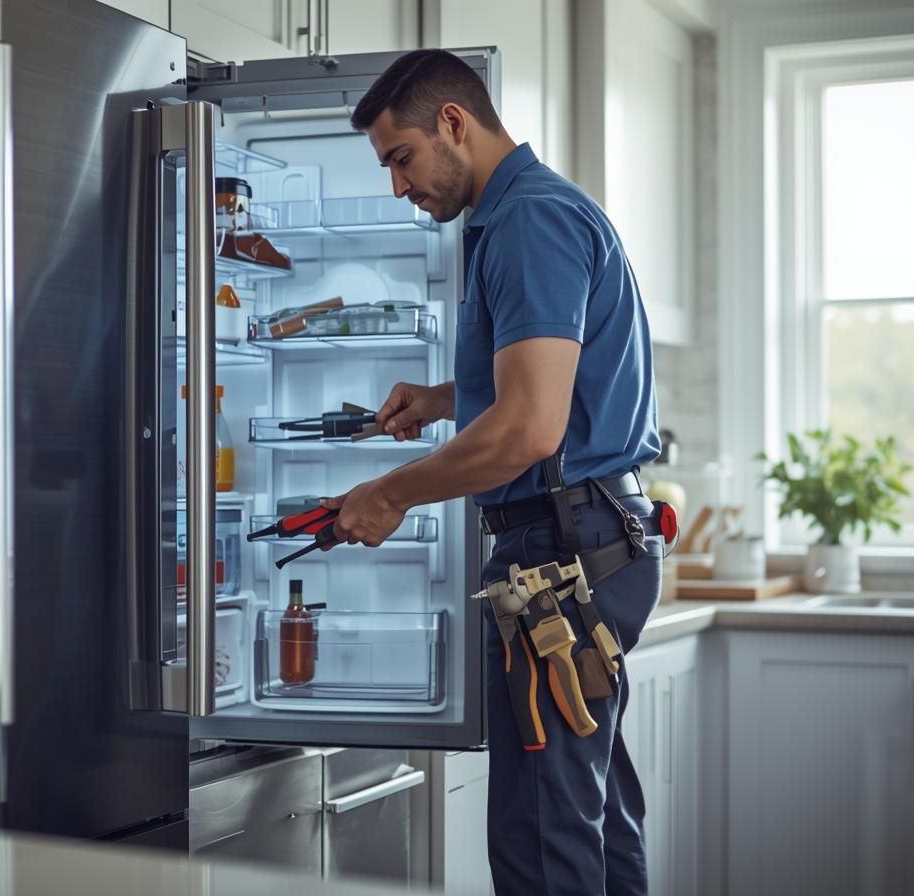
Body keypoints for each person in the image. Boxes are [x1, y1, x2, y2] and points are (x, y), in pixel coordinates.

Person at [320, 49, 665, 896]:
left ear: (453, 123)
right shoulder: (535, 211)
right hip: (590, 543)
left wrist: (388, 493)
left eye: (399, 158)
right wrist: (447, 397)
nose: (398, 187)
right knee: (590, 817)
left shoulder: (525, 223)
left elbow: (528, 428)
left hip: (559, 560)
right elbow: (552, 388)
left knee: (543, 842)